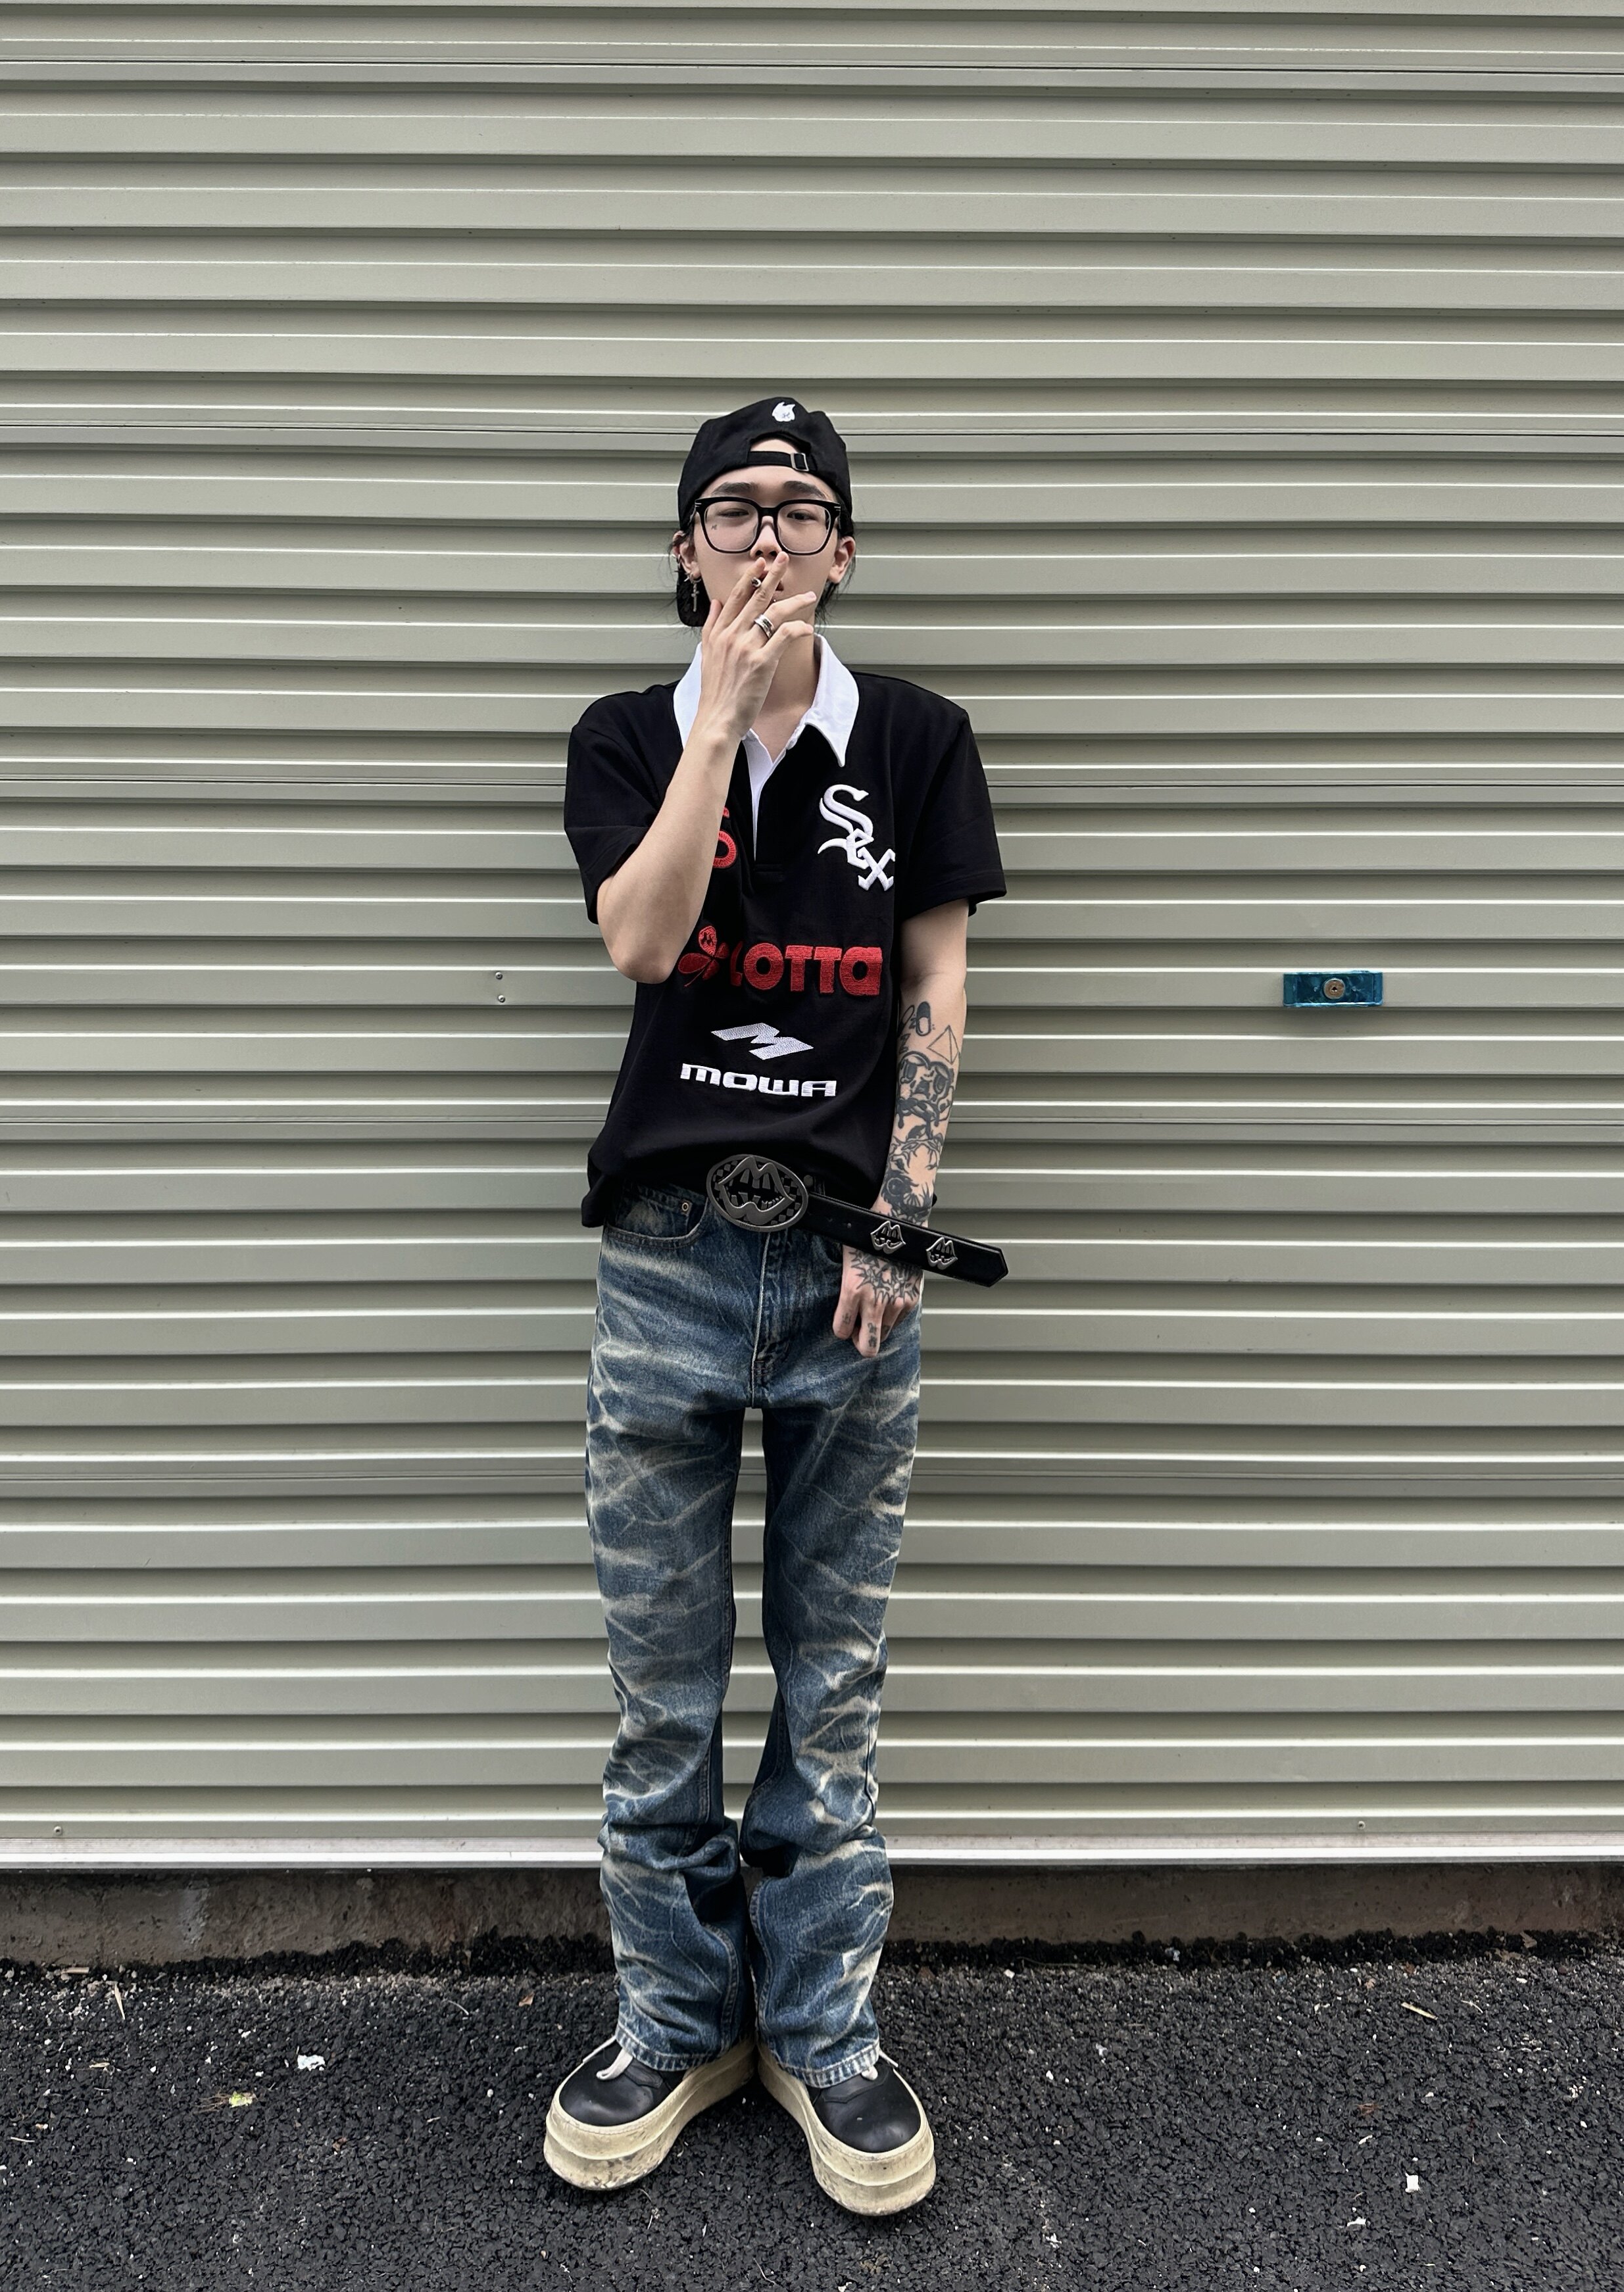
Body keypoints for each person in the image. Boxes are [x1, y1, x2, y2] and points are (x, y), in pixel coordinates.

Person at [548, 396, 1007, 2216]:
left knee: (835, 1688)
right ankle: (676, 2024)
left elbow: (936, 988)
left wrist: (904, 1218)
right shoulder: (619, 736)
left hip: (847, 1270)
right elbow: (645, 942)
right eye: (732, 509)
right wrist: (717, 728)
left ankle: (822, 2034)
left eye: (801, 509)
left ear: (844, 550)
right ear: (684, 551)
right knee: (662, 1696)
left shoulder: (916, 740)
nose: (766, 534)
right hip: (666, 1256)